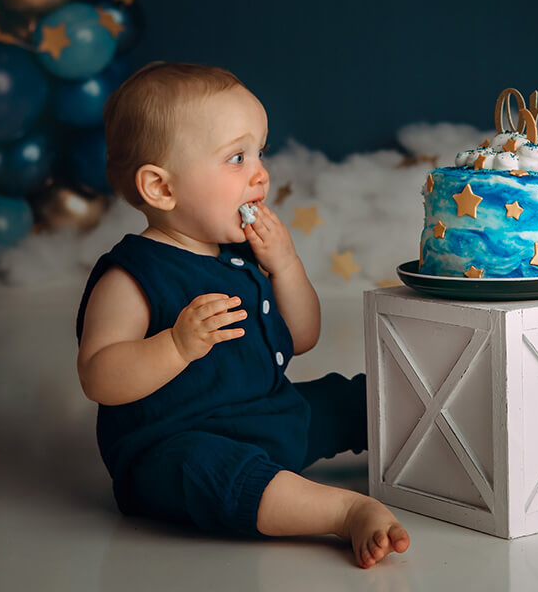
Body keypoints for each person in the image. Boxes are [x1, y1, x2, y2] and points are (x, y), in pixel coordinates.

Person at [75, 61, 409, 569]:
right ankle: (342, 511)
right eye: (236, 157)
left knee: (351, 397)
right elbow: (99, 375)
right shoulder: (132, 275)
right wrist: (175, 345)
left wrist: (286, 265)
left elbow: (303, 337)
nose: (261, 173)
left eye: (260, 151)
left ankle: (441, 437)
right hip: (175, 446)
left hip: (269, 414)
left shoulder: (241, 255)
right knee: (219, 474)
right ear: (161, 188)